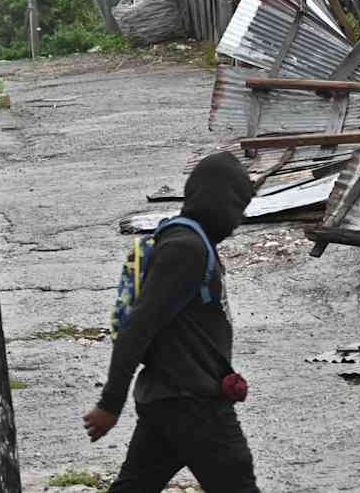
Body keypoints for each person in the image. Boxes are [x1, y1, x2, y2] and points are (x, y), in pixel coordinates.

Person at [83, 152, 258, 492]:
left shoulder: (192, 242)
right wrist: (110, 403)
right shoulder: (185, 249)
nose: (239, 221)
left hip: (168, 399)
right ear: (218, 201)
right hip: (193, 402)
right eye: (237, 208)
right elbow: (139, 326)